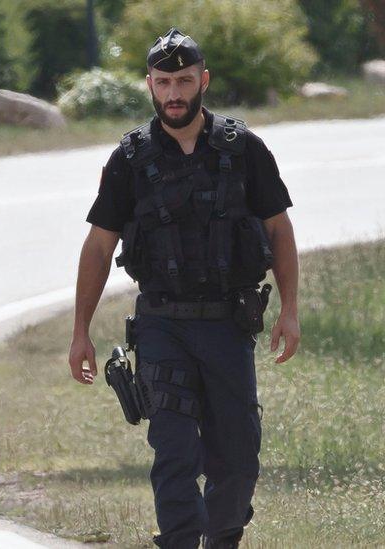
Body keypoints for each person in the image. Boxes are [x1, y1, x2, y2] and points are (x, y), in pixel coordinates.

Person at [67, 28, 301, 549]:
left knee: (237, 458)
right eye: (164, 82)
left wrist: (290, 309)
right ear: (149, 84)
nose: (174, 93)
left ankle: (222, 538)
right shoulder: (130, 159)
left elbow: (279, 229)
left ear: (204, 81)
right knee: (173, 450)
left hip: (227, 324)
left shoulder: (245, 150)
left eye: (185, 80)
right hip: (162, 325)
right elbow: (99, 246)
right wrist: (80, 330)